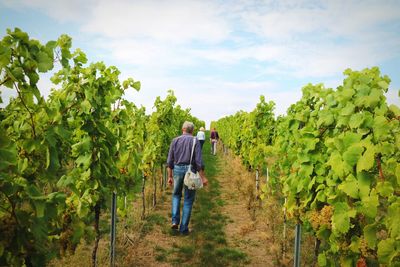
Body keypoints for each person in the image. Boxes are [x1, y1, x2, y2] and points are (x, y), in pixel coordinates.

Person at [167, 121, 208, 235]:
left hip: (177, 169)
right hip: (191, 171)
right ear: (192, 130)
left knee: (176, 195)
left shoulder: (175, 141)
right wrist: (203, 177)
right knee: (188, 200)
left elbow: (170, 161)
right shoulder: (195, 141)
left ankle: (175, 221)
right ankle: (183, 228)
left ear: (182, 129)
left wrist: (170, 176)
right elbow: (199, 162)